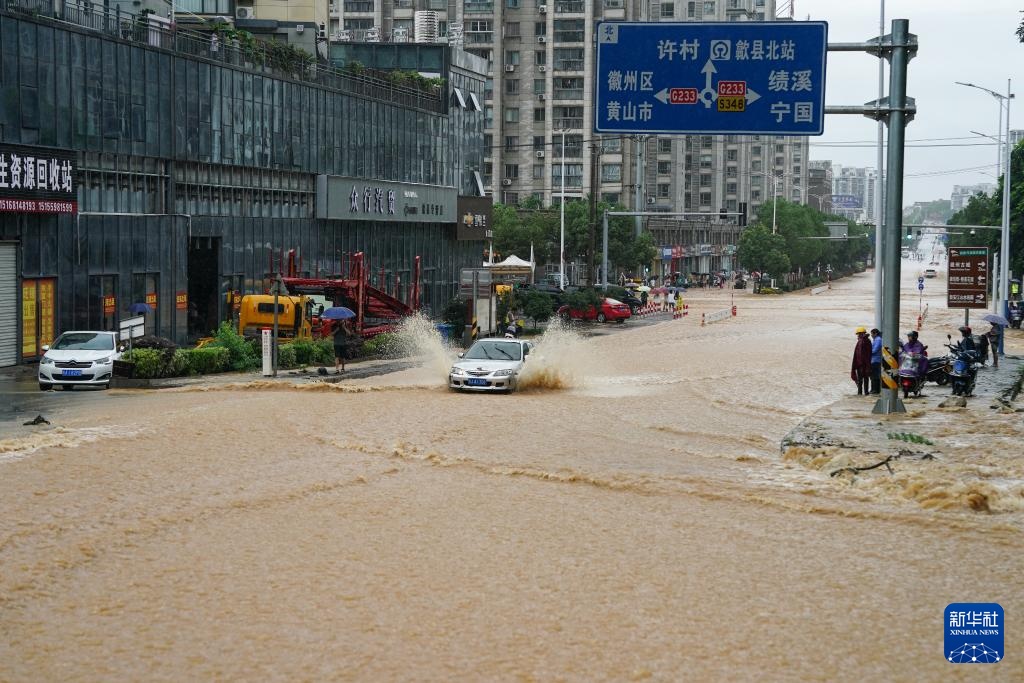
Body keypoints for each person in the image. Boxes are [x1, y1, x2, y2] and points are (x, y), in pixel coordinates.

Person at [851, 326, 872, 395]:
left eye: (859, 334)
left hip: (862, 365)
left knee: (862, 380)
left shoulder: (863, 341)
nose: (858, 336)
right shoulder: (865, 341)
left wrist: (859, 364)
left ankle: (861, 393)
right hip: (863, 364)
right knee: (864, 380)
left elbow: (863, 355)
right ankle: (864, 393)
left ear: (862, 334)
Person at [869, 328, 883, 395]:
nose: (871, 335)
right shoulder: (876, 340)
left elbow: (874, 350)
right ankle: (874, 389)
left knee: (874, 376)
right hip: (874, 360)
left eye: (872, 333)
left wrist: (867, 353)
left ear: (875, 333)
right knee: (874, 376)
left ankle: (875, 390)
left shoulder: (878, 340)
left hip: (876, 360)